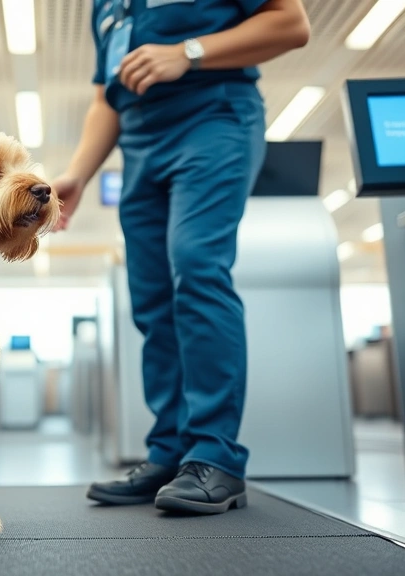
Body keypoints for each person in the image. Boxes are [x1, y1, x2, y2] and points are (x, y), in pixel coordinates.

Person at [52, 0, 310, 514]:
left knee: (196, 267)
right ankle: (170, 452)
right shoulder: (105, 6)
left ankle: (217, 454)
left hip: (214, 117)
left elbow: (291, 23)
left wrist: (188, 53)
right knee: (149, 295)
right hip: (140, 142)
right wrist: (78, 174)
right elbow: (106, 98)